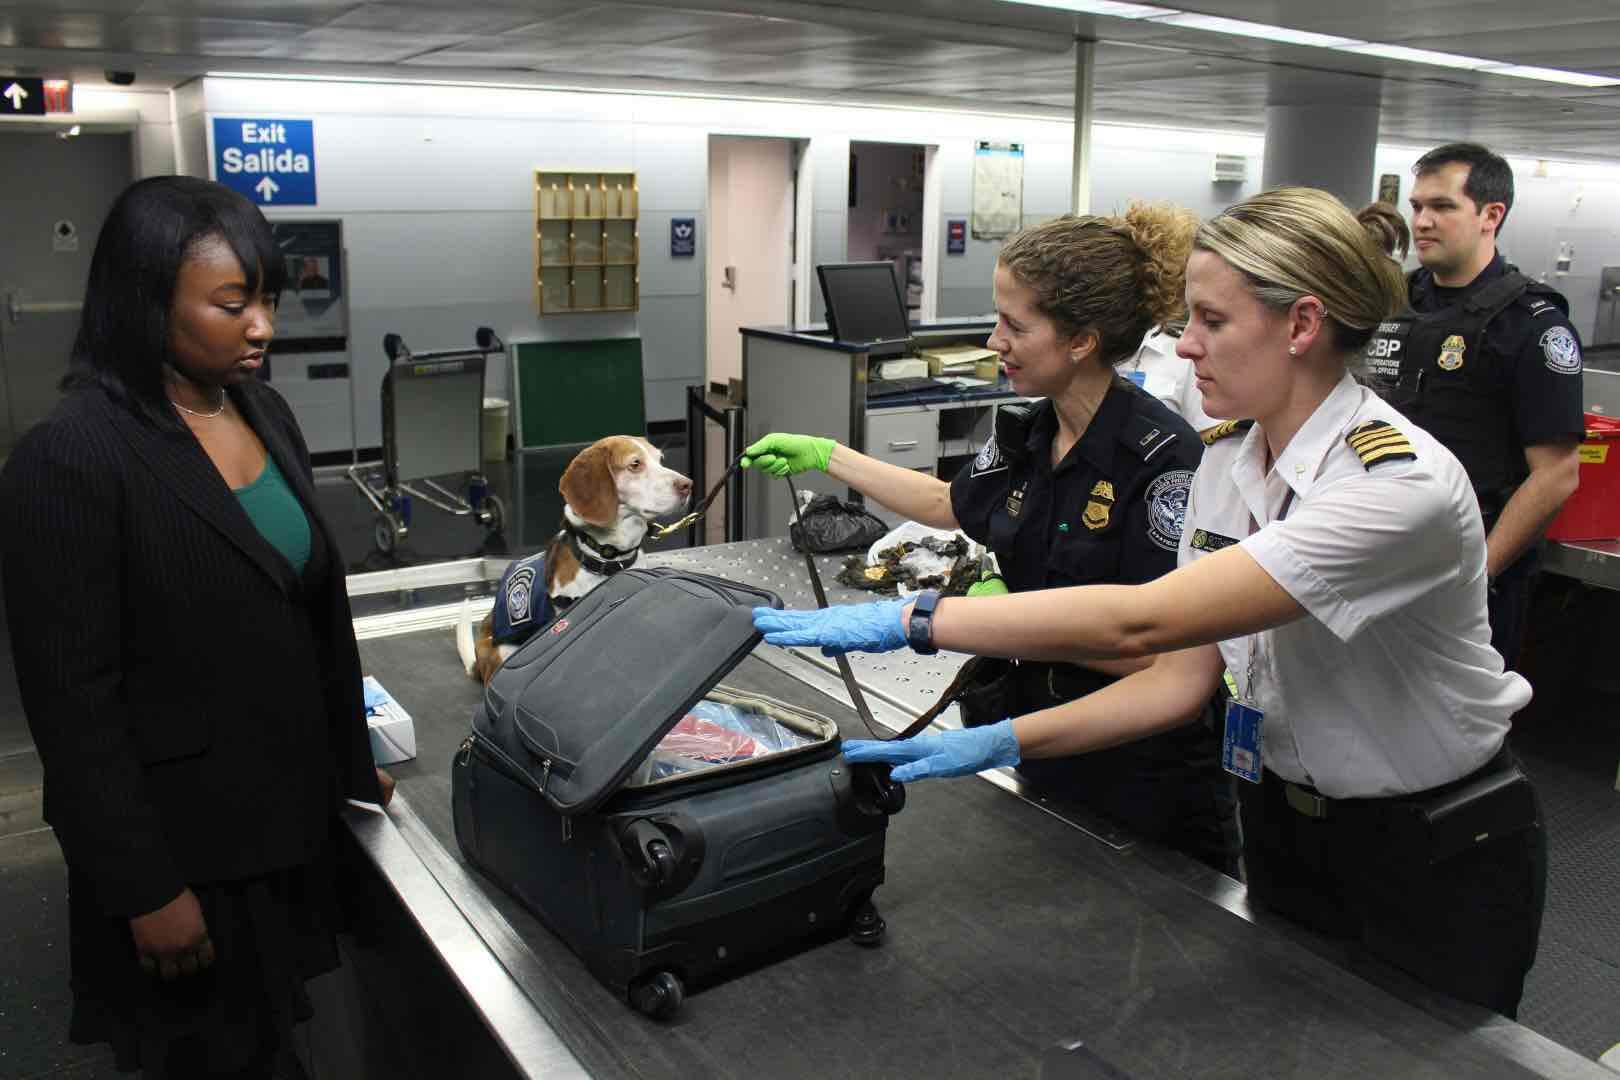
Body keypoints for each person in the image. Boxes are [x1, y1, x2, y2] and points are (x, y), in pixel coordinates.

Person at [753, 187, 1546, 1018]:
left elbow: (1145, 620)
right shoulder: (1225, 466)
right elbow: (1177, 679)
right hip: (1281, 823)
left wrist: (913, 621)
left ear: (1302, 325)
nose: (1183, 345)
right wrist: (999, 740)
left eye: (1209, 320)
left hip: (1426, 845)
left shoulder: (1394, 486)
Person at [0, 176, 391, 1078]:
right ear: (144, 302)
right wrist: (144, 886)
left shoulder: (262, 411)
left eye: (268, 301)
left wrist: (346, 758)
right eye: (232, 304)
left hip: (282, 828)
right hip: (185, 861)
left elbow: (309, 613)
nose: (262, 326)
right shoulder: (72, 456)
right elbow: (73, 705)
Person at [743, 206, 1236, 872]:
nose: (994, 339)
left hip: (1133, 776)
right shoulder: (1031, 433)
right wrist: (827, 454)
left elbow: (1157, 657)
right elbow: (952, 504)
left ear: (1082, 341)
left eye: (1015, 324)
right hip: (1037, 740)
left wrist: (976, 621)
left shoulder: (1161, 461)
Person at [1364, 142, 1583, 670]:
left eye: (1442, 206)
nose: (1423, 221)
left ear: (1491, 215)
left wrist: (1477, 576)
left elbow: (1556, 475)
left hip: (1471, 568)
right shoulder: (1391, 303)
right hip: (1381, 551)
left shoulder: (1531, 325)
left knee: (1459, 733)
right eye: (1417, 206)